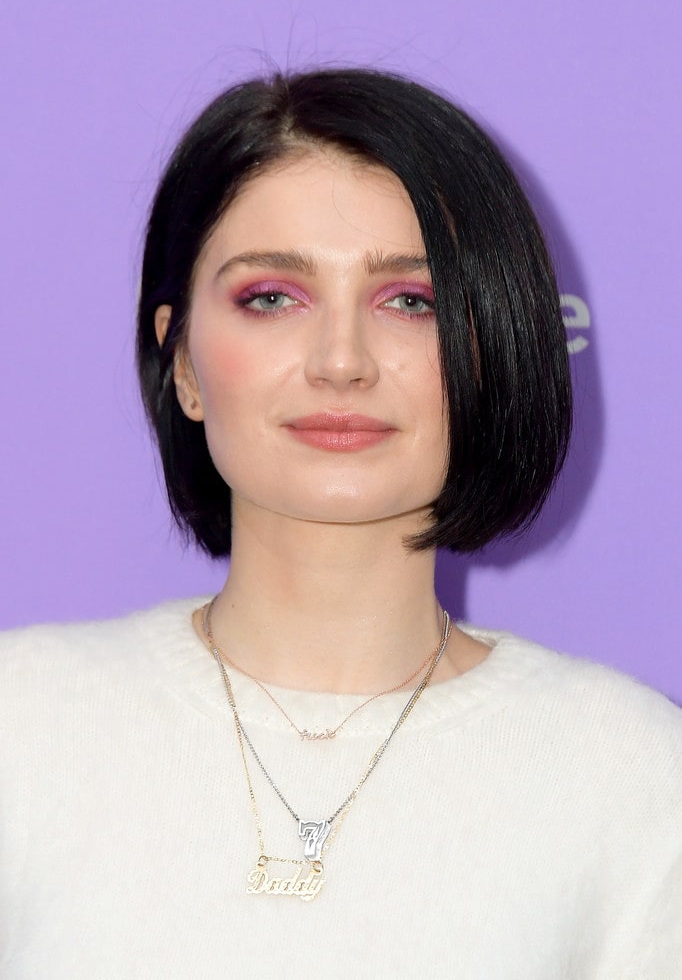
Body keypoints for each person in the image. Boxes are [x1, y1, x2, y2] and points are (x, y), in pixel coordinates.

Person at [1, 68, 680, 978]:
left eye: (412, 301)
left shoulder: (633, 774)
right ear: (184, 363)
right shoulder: (24, 720)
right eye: (272, 297)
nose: (341, 361)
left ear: (498, 349)